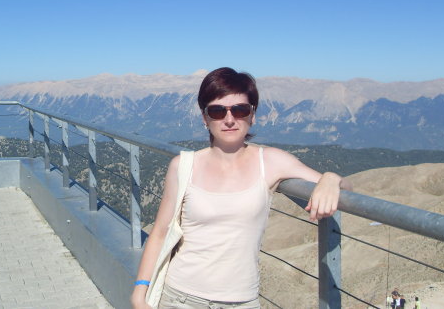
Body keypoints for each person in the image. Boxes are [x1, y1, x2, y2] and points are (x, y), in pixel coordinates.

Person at [131, 67, 352, 308]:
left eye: (240, 110)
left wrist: (331, 179)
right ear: (204, 118)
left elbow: (349, 190)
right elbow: (160, 233)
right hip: (180, 298)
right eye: (217, 111)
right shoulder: (183, 166)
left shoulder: (271, 161)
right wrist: (140, 291)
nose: (229, 119)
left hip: (241, 302)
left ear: (252, 115)